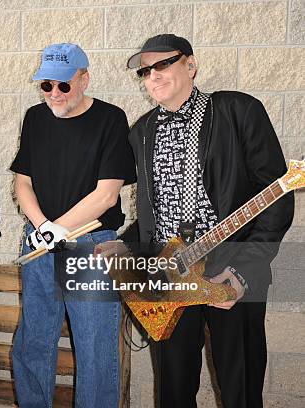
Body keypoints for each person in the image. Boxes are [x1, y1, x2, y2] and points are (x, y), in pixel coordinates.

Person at [125, 34, 294, 407]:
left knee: (240, 387)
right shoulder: (141, 132)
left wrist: (244, 270)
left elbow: (276, 198)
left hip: (230, 268)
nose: (153, 75)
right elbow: (150, 214)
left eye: (163, 64)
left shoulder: (238, 111)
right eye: (145, 71)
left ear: (191, 64)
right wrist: (124, 252)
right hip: (171, 274)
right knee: (173, 389)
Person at [9, 43, 136, 408]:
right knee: (33, 340)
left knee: (95, 347)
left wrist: (57, 229)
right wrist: (43, 227)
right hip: (39, 240)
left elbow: (107, 195)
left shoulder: (111, 118)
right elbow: (23, 182)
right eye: (46, 85)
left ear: (84, 79)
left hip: (91, 245)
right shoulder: (35, 117)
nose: (53, 94)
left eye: (63, 85)